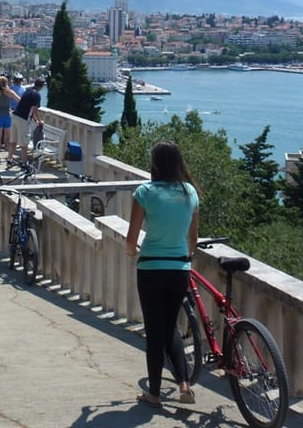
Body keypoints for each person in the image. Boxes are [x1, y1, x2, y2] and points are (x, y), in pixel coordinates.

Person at [125, 141, 199, 409]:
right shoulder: (189, 192)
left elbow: (132, 237)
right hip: (179, 268)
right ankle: (184, 384)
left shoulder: (144, 192)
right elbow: (194, 238)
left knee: (155, 331)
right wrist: (185, 255)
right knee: (170, 327)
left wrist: (131, 251)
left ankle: (154, 394)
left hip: (151, 269)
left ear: (154, 163)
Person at [11, 77, 45, 163]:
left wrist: (35, 119)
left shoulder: (28, 90)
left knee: (13, 140)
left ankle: (9, 159)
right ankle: (24, 162)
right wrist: (39, 121)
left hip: (15, 116)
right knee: (24, 143)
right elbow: (34, 110)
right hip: (23, 119)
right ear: (42, 86)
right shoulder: (37, 95)